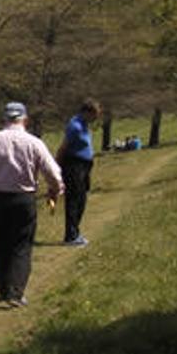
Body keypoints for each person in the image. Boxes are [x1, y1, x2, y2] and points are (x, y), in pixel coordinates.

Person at [0, 101, 64, 308]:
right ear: (24, 120)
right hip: (24, 199)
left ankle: (4, 289)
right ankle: (16, 291)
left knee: (0, 245)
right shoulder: (34, 142)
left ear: (5, 120)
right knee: (21, 245)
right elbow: (52, 172)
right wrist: (55, 190)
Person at [57, 99, 101, 247]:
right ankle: (70, 236)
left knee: (82, 200)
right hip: (73, 165)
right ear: (86, 112)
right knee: (74, 201)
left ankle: (76, 232)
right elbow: (63, 147)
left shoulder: (84, 125)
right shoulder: (74, 126)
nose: (95, 119)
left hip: (84, 166)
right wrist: (57, 167)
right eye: (94, 115)